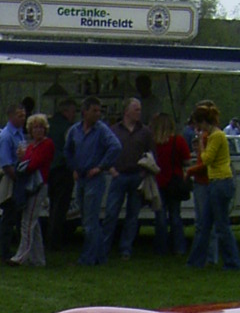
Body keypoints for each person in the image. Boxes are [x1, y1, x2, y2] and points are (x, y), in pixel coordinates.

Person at [64, 97, 121, 265]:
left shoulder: (102, 130)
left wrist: (101, 166)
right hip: (80, 177)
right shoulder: (75, 130)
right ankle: (100, 256)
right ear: (85, 111)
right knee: (86, 219)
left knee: (90, 221)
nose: (98, 114)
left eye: (99, 111)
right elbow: (67, 150)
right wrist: (73, 167)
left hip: (94, 178)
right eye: (94, 110)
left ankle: (88, 258)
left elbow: (116, 146)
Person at [186, 101, 240, 270]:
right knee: (205, 224)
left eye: (199, 124)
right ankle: (196, 261)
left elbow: (207, 159)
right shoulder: (215, 135)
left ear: (203, 122)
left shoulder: (216, 136)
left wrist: (201, 143)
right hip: (216, 183)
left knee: (221, 225)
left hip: (221, 182)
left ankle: (232, 261)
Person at [101, 98, 154, 260]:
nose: (139, 112)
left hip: (136, 176)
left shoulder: (145, 132)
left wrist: (145, 171)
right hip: (119, 175)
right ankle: (104, 247)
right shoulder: (113, 130)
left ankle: (126, 248)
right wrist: (110, 168)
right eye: (136, 109)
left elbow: (151, 154)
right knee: (111, 212)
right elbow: (103, 150)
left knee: (132, 215)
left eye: (139, 109)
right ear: (127, 111)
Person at [8, 113, 54, 267]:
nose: (38, 130)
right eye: (35, 127)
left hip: (39, 186)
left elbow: (33, 164)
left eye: (41, 127)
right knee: (33, 224)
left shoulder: (47, 144)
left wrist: (26, 160)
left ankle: (21, 256)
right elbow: (26, 161)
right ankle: (38, 259)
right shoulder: (31, 145)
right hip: (30, 186)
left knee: (28, 222)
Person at [150, 112, 190, 256]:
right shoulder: (178, 141)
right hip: (174, 182)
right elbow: (186, 161)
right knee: (175, 216)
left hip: (157, 182)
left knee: (160, 217)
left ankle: (161, 248)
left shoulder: (154, 143)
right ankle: (179, 247)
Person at [0, 103, 27, 263]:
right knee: (9, 216)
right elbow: (6, 163)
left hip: (19, 176)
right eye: (20, 116)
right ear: (11, 116)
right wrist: (18, 180)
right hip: (11, 179)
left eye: (24, 115)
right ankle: (4, 252)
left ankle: (20, 250)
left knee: (20, 217)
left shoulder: (20, 133)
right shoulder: (6, 136)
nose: (23, 118)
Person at [46, 97, 77, 250]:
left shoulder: (49, 124)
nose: (75, 115)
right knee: (61, 207)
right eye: (73, 112)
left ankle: (51, 237)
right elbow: (71, 147)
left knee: (53, 205)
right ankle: (55, 241)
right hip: (63, 169)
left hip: (49, 169)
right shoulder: (69, 127)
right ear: (66, 111)